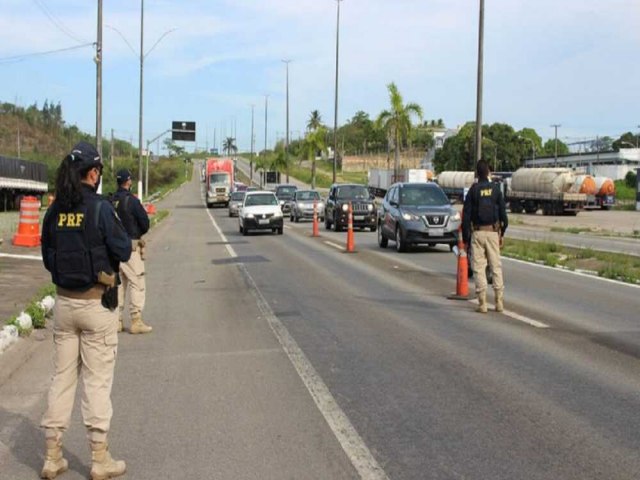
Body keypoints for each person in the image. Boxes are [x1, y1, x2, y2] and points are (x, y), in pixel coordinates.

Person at [40, 142, 131, 480]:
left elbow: (48, 255)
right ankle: (99, 459)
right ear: (93, 173)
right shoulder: (101, 209)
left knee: (61, 380)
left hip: (64, 304)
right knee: (96, 381)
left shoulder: (54, 210)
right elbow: (122, 249)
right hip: (97, 305)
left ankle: (52, 456)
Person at [462, 159, 508, 313]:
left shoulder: (473, 190)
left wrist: (466, 238)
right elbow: (503, 215)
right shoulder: (495, 190)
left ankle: (482, 303)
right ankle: (499, 302)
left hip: (478, 232)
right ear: (488, 172)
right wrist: (502, 232)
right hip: (493, 232)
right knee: (496, 267)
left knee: (479, 268)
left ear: (477, 173)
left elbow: (466, 216)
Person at [111, 168, 152, 334]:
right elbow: (145, 223)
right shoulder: (132, 201)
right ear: (128, 181)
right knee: (137, 282)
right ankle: (136, 320)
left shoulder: (110, 200)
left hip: (113, 249)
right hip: (130, 247)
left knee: (119, 284)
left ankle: (117, 320)